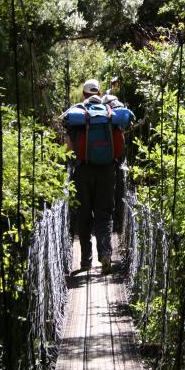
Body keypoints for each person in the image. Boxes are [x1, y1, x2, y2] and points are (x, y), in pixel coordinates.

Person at [65, 78, 116, 274]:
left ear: (84, 95)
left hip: (83, 171)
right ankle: (105, 253)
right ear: (99, 93)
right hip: (106, 170)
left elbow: (69, 148)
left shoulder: (77, 114)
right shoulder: (109, 112)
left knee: (84, 216)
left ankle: (86, 261)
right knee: (104, 215)